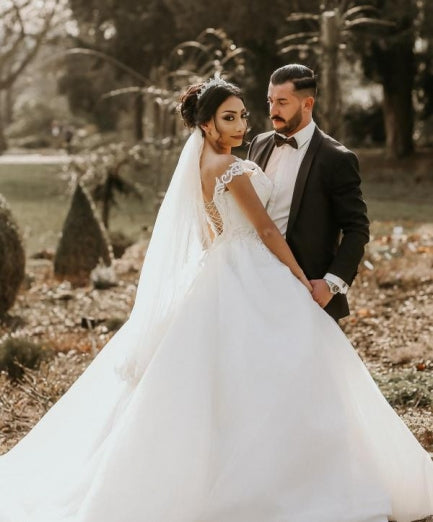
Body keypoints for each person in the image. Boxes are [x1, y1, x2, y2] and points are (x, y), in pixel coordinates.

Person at [0, 77, 432, 522]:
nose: (245, 121)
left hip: (224, 267)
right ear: (206, 125)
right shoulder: (231, 166)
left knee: (237, 376)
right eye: (231, 116)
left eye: (245, 113)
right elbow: (265, 229)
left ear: (306, 101)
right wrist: (301, 279)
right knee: (273, 370)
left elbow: (216, 229)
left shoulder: (212, 163)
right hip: (254, 269)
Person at [248, 63, 368, 321]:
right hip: (252, 282)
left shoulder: (336, 159)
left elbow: (357, 229)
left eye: (282, 102)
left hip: (307, 291)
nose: (273, 110)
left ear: (307, 104)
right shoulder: (258, 144)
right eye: (270, 101)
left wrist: (331, 283)